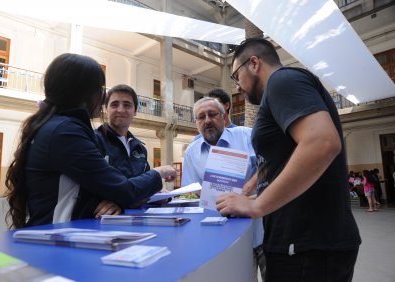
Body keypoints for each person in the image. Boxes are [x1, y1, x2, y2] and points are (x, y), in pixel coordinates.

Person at [216, 38, 361, 282]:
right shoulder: (278, 91)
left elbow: (322, 142)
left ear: (253, 63)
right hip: (299, 243)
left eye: (235, 76)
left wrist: (256, 206)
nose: (237, 87)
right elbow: (279, 161)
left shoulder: (283, 81)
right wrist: (253, 194)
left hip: (308, 246)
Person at [5, 53, 176, 229]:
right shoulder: (66, 134)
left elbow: (99, 187)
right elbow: (125, 189)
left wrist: (118, 199)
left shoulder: (62, 128)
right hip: (58, 236)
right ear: (83, 92)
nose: (103, 98)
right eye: (100, 89)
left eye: (127, 105)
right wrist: (159, 172)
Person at [182, 97, 265, 281]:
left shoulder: (247, 136)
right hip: (225, 236)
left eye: (212, 114)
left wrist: (246, 189)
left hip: (261, 230)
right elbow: (192, 188)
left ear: (223, 116)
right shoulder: (192, 152)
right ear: (196, 122)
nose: (207, 120)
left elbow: (269, 164)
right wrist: (211, 197)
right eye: (201, 117)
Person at [95, 84, 174, 207]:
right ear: (107, 109)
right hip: (104, 220)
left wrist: (156, 193)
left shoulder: (140, 148)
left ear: (135, 111)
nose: (120, 110)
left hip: (139, 219)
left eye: (127, 105)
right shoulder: (94, 140)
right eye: (114, 104)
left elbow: (142, 186)